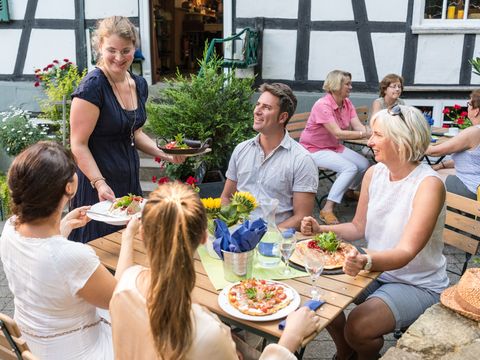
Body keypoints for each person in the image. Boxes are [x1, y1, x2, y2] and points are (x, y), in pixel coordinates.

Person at [301, 105, 448, 360]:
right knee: (315, 290)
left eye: (377, 135)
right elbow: (358, 227)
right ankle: (344, 352)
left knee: (358, 326)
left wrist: (365, 260)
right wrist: (320, 227)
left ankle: (362, 353)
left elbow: (406, 251)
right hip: (376, 269)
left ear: (401, 140)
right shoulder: (374, 173)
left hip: (417, 283)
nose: (369, 142)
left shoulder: (428, 185)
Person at [110, 182, 321, 359]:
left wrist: (127, 237)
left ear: (143, 234)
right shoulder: (207, 332)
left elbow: (122, 279)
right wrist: (289, 339)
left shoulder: (124, 288)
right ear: (204, 238)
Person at [69, 16, 183, 243]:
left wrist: (165, 154)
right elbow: (78, 144)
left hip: (128, 185)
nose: (119, 58)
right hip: (98, 188)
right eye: (112, 50)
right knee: (100, 255)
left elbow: (135, 132)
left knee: (130, 250)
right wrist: (99, 182)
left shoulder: (139, 85)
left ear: (135, 49)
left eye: (126, 50)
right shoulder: (92, 88)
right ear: (100, 46)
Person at [0, 141, 117, 359]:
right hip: (82, 353)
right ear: (69, 187)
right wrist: (129, 238)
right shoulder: (73, 256)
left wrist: (63, 226)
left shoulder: (10, 229)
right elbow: (122, 298)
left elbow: (41, 257)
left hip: (31, 346)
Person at [221, 82, 318, 229]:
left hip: (275, 242)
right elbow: (226, 197)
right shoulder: (241, 149)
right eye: (258, 104)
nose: (257, 111)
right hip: (237, 235)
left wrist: (264, 236)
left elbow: (301, 217)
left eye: (266, 107)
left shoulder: (302, 160)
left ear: (282, 117)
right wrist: (228, 227)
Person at [299, 70, 370, 225]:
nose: (351, 87)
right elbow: (338, 133)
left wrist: (371, 133)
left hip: (332, 147)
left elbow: (358, 125)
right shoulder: (322, 105)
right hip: (313, 149)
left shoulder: (347, 103)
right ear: (336, 85)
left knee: (364, 164)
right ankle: (327, 209)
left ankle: (349, 191)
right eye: (347, 84)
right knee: (349, 168)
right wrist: (363, 134)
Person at [426, 90, 480, 200]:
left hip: (472, 189)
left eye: (469, 104)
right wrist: (440, 165)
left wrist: (408, 143)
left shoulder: (473, 132)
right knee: (436, 171)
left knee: (425, 180)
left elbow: (434, 151)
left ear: (476, 111)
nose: (467, 107)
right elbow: (471, 161)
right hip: (476, 185)